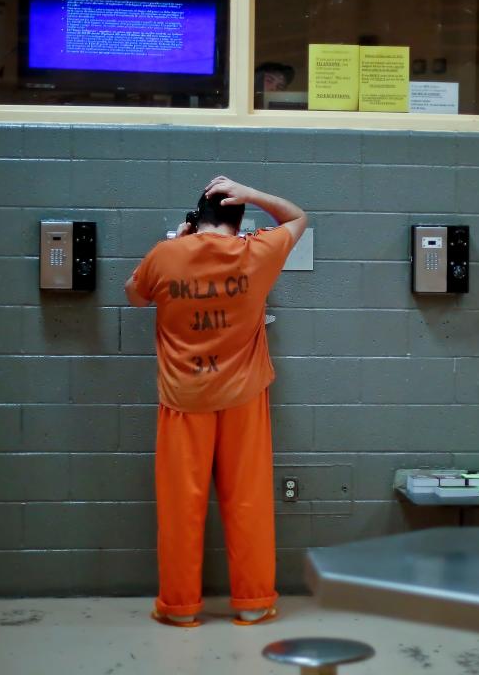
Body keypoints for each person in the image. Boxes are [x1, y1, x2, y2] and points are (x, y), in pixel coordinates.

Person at [125, 176, 307, 628]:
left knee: (180, 507)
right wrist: (255, 193)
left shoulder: (164, 256)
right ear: (238, 216)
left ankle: (181, 607)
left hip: (184, 399)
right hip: (243, 398)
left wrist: (177, 244)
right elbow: (299, 217)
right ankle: (252, 602)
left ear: (196, 219)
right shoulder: (257, 252)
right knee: (248, 501)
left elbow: (133, 293)